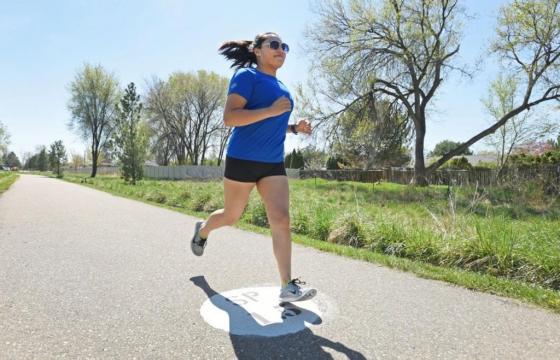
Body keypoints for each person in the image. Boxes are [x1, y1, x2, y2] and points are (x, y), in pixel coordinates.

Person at [191, 32, 316, 304]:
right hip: (243, 158)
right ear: (258, 51)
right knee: (232, 216)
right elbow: (230, 117)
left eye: (284, 46)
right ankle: (203, 230)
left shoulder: (283, 87)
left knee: (281, 218)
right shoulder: (247, 77)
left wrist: (294, 127)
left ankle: (287, 285)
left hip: (272, 162)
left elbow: (271, 123)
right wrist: (271, 111)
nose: (280, 49)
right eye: (274, 45)